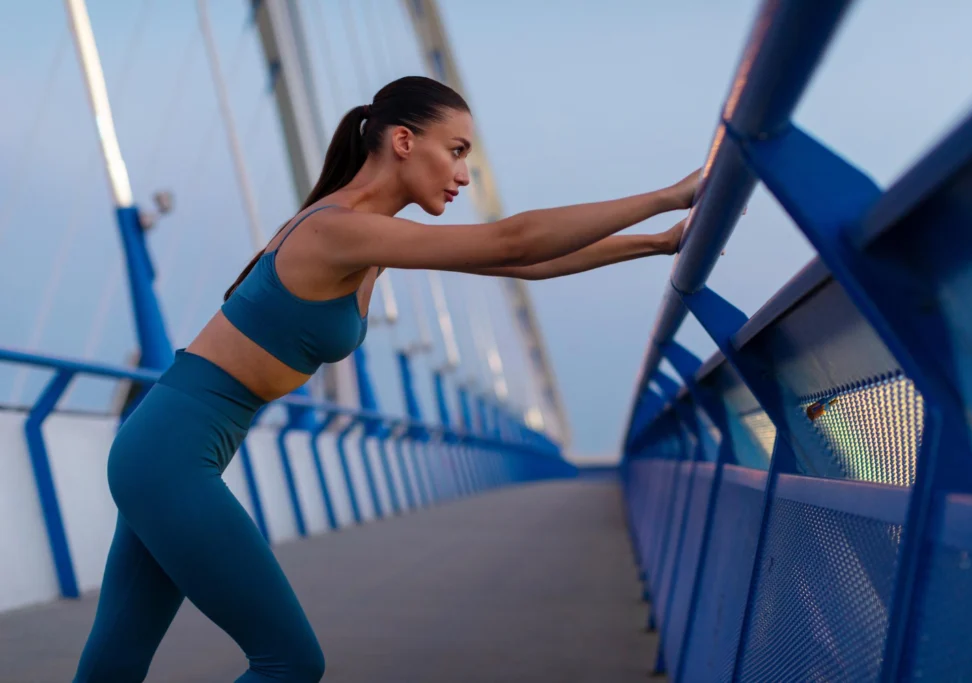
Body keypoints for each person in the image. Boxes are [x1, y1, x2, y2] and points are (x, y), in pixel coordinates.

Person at [73, 75, 702, 682]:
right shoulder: (335, 230)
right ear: (403, 141)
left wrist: (657, 243)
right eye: (456, 152)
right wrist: (667, 195)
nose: (463, 174)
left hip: (167, 446)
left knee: (116, 663)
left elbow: (529, 264)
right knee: (289, 662)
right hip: (170, 454)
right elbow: (514, 242)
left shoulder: (369, 239)